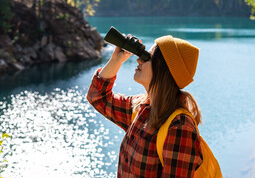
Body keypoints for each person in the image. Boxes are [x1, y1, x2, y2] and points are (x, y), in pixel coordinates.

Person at [87, 35, 203, 177]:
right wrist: (116, 60)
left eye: (148, 57)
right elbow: (98, 97)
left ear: (164, 70)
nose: (139, 59)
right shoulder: (141, 109)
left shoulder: (179, 127)